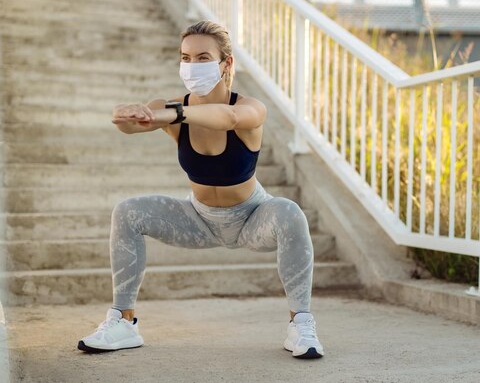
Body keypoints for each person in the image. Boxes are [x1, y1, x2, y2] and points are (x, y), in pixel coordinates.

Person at [77, 20, 324, 359]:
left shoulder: (249, 107)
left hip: (253, 218)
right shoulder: (173, 108)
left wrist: (175, 113)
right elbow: (134, 125)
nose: (192, 66)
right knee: (128, 211)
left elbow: (229, 118)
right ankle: (123, 322)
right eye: (186, 58)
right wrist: (125, 115)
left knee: (290, 212)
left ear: (226, 63)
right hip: (198, 219)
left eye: (203, 57)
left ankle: (301, 325)